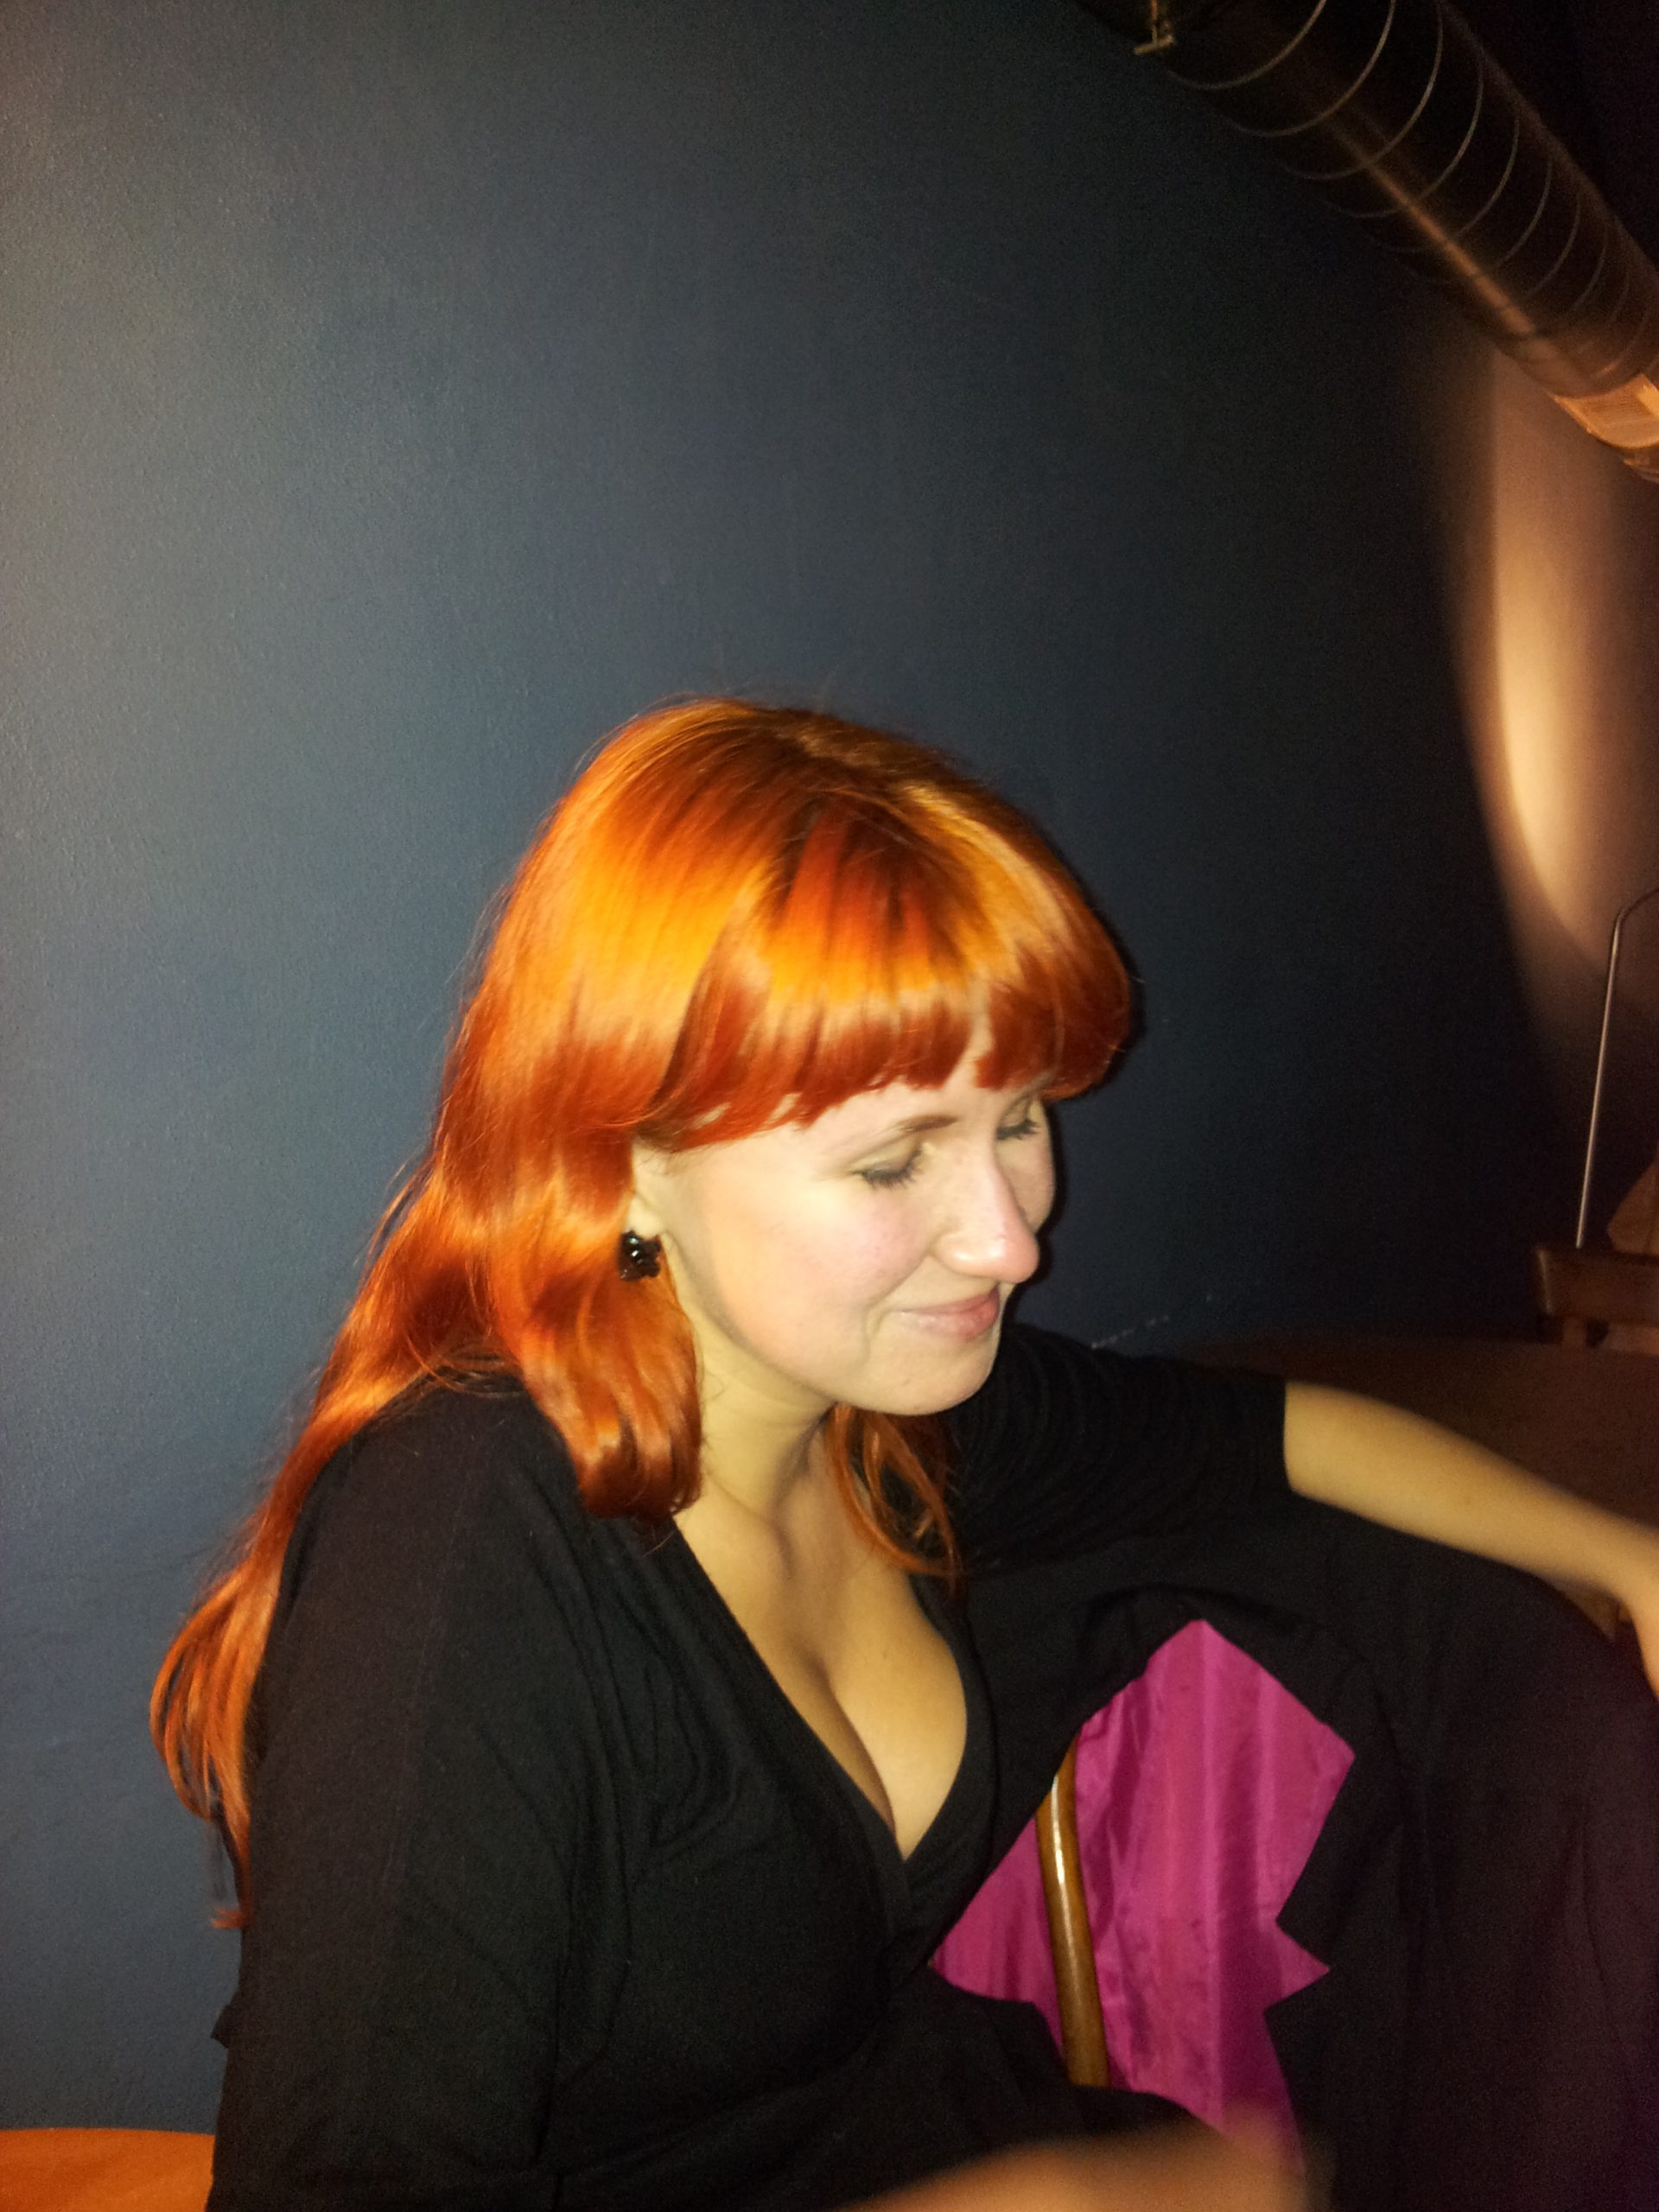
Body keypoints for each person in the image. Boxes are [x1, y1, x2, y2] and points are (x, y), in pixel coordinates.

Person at [154, 701, 1659, 2212]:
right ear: (631, 1164)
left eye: (1021, 1118)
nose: (1011, 1239)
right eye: (892, 1162)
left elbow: (1259, 1438)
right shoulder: (463, 1552)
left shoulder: (893, 1419)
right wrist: (1040, 2208)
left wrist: (1627, 1559)